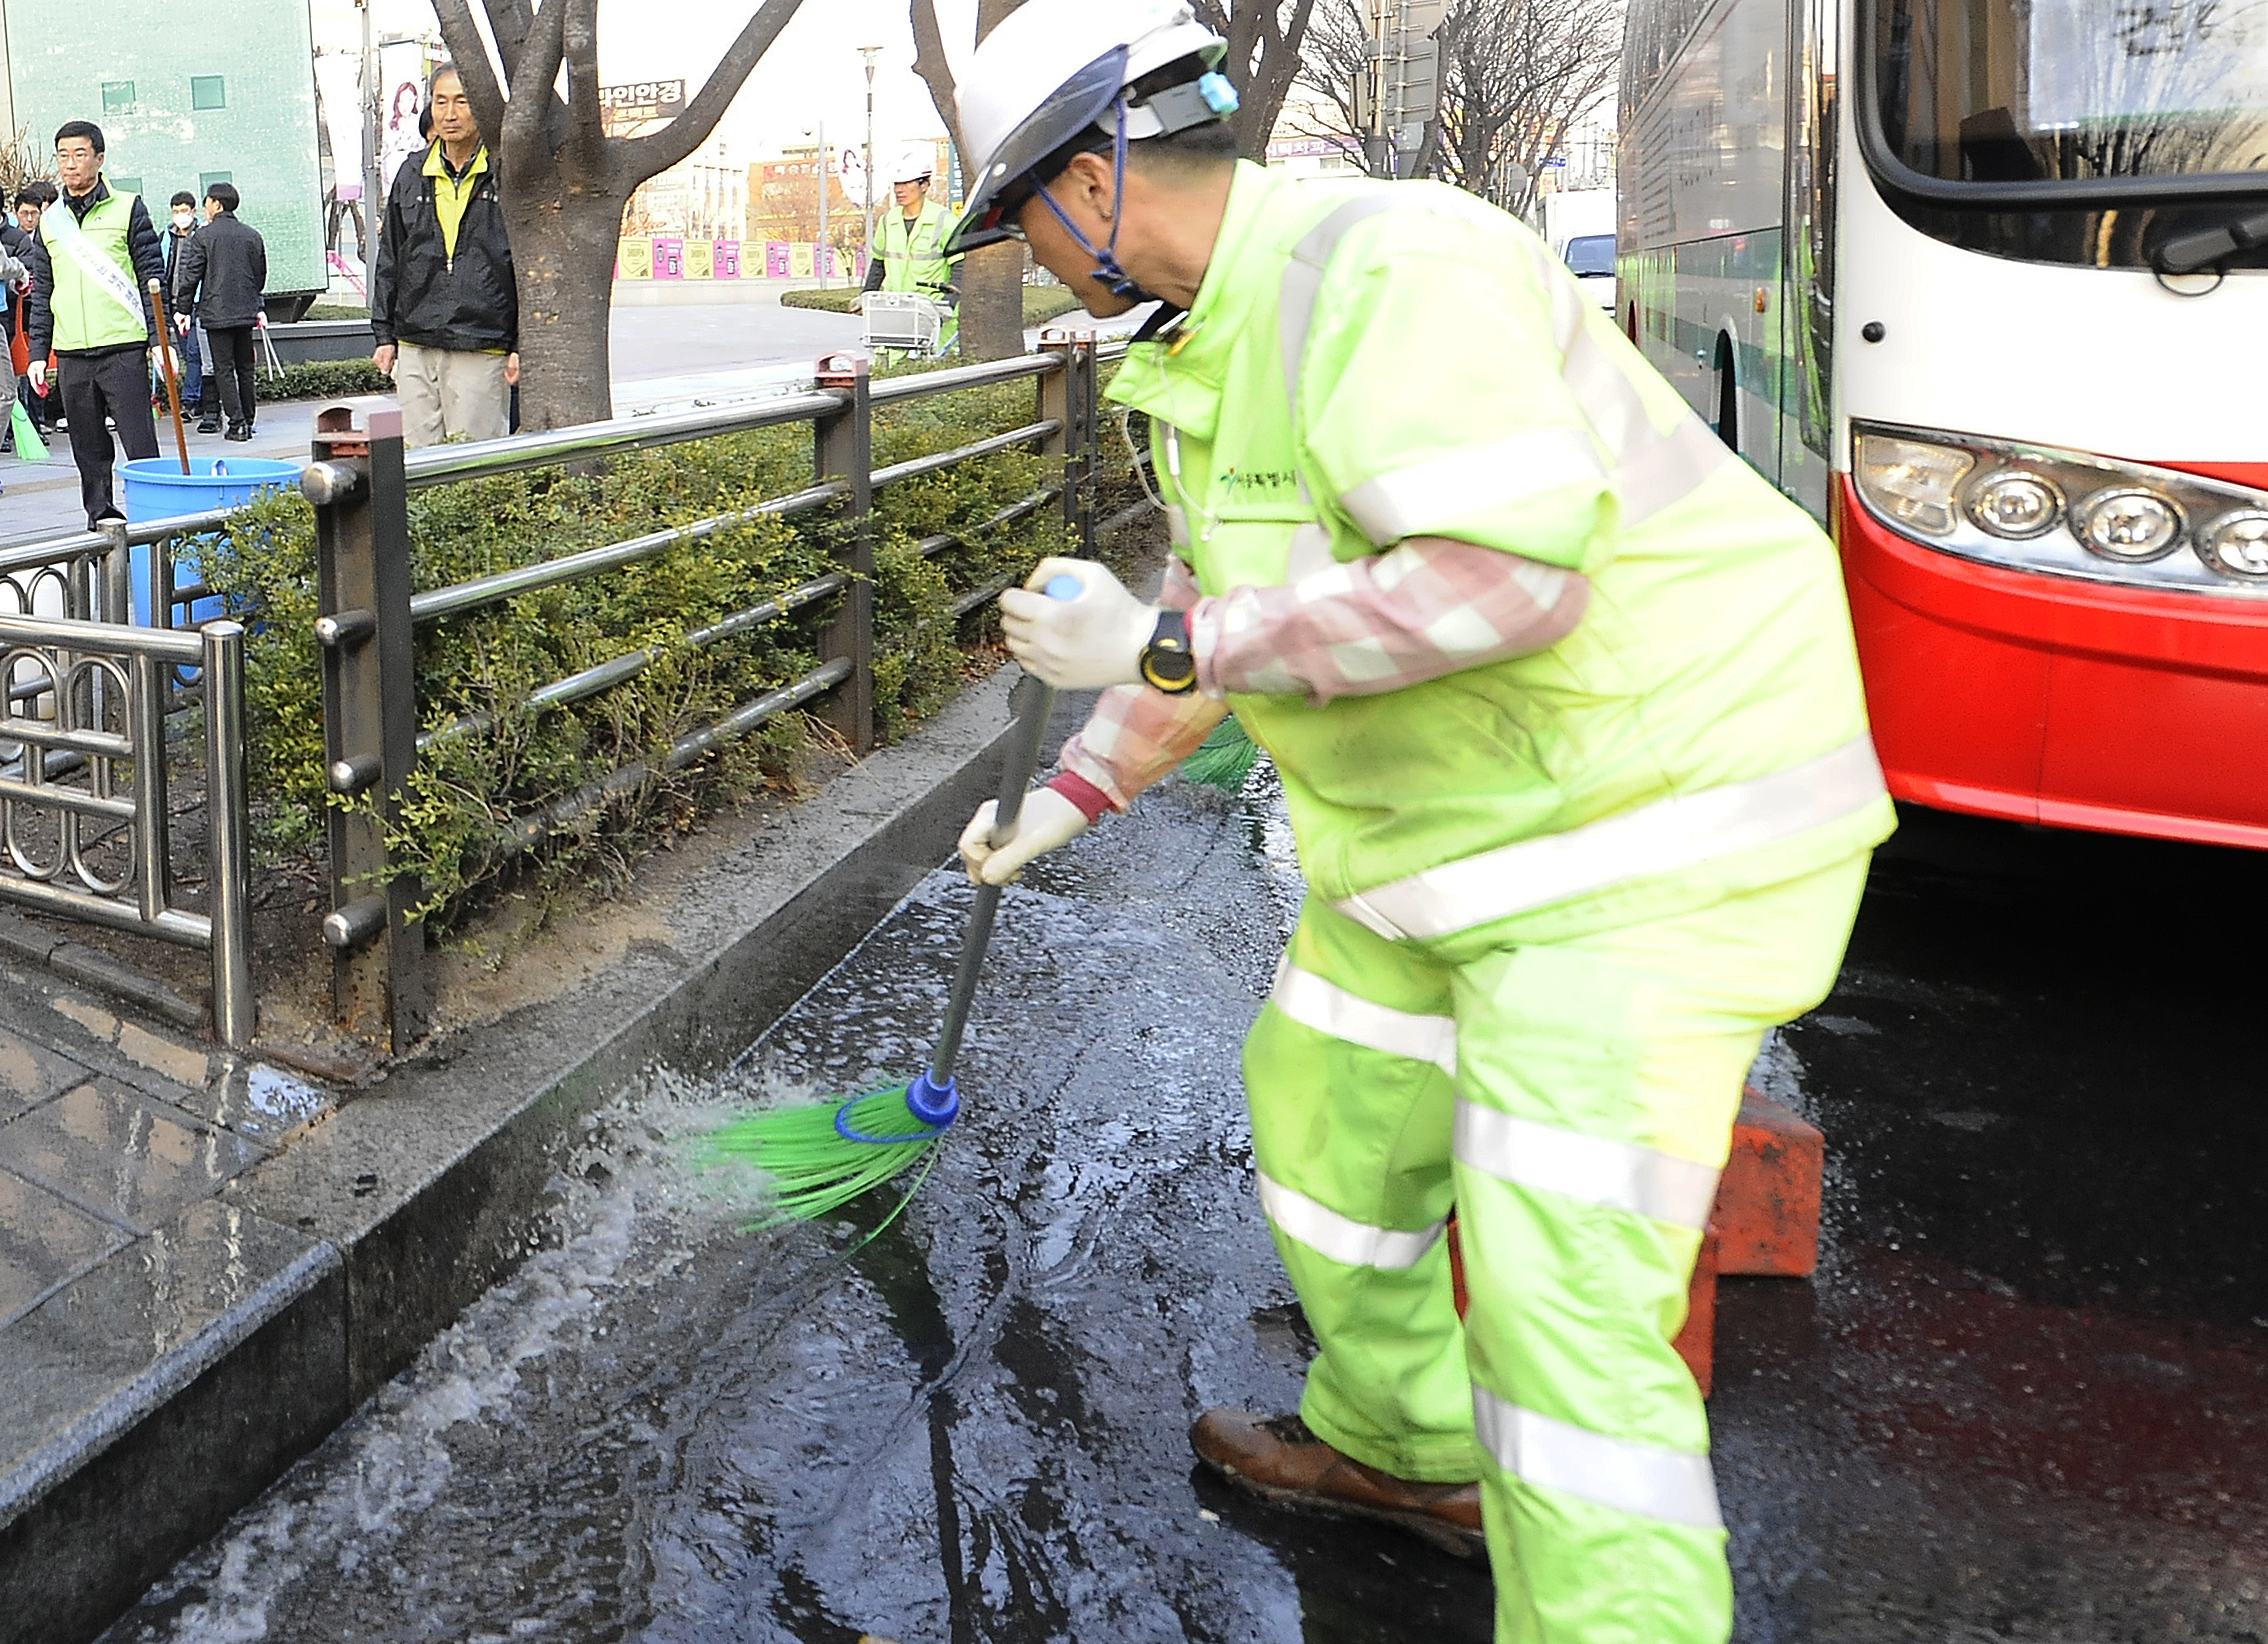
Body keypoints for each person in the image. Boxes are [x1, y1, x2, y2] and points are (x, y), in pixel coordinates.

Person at [944, 5, 1896, 1642]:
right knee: (1326, 1120)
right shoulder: (1201, 346)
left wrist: (1171, 643)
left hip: (1644, 829)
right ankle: (1411, 1451)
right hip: (1451, 836)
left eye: (1018, 214)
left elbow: (1501, 579)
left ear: (1089, 175)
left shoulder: (1389, 270)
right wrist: (1069, 790)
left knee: (1562, 1320)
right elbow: (1230, 604)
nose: (1026, 255)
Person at [24, 121, 164, 529]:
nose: (70, 164)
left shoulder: (128, 207)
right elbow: (42, 291)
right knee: (87, 446)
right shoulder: (50, 223)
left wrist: (159, 340)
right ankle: (100, 519)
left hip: (123, 346)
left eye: (79, 154)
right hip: (71, 353)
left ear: (99, 159)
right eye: (63, 156)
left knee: (139, 440)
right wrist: (37, 353)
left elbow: (151, 277)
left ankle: (151, 517)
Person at [370, 63, 519, 448]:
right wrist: (384, 334)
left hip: (481, 340)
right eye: (441, 101)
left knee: (475, 460)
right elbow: (391, 258)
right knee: (419, 462)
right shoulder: (412, 172)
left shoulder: (504, 172)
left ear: (482, 105)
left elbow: (524, 266)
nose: (450, 114)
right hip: (416, 341)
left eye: (461, 102)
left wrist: (521, 344)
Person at [174, 182, 265, 441]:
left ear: (217, 204)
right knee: (245, 368)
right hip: (245, 312)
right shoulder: (252, 235)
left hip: (216, 313)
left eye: (206, 204)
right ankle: (248, 419)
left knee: (223, 368)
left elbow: (190, 277)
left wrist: (182, 309)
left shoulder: (203, 237)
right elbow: (260, 277)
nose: (205, 209)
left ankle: (236, 423)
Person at [860, 144, 963, 352]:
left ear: (924, 185)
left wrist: (949, 303)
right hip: (895, 313)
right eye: (897, 184)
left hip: (932, 314)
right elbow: (878, 264)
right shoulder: (888, 221)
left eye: (907, 183)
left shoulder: (944, 220)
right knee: (893, 371)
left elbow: (960, 266)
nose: (899, 189)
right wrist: (865, 297)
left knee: (929, 371)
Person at [156, 190, 208, 430]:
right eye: (176, 211)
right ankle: (195, 398)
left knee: (196, 353)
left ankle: (191, 401)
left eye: (184, 211)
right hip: (175, 303)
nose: (180, 216)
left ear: (193, 211)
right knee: (188, 354)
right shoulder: (166, 237)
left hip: (198, 303)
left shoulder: (203, 235)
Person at [15, 183, 59, 437]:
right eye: (25, 213)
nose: (30, 219)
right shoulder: (11, 238)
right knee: (19, 369)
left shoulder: (50, 235)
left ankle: (38, 417)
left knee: (37, 361)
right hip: (17, 311)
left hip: (41, 310)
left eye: (35, 213)